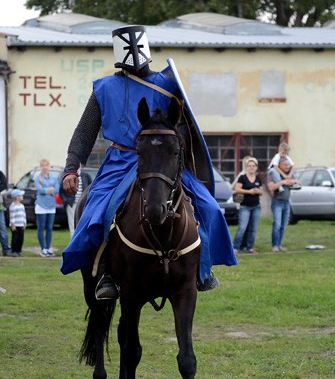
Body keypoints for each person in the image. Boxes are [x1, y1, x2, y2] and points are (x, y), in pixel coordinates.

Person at [59, 24, 236, 300]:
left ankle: (202, 269)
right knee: (98, 212)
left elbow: (185, 125)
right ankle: (105, 273)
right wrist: (72, 166)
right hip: (120, 161)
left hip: (162, 162)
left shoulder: (167, 84)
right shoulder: (104, 88)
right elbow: (85, 131)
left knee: (210, 208)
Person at [233, 157, 264, 254]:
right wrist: (249, 191)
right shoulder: (242, 177)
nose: (251, 167)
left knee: (253, 228)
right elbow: (237, 189)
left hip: (256, 206)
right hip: (245, 206)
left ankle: (250, 247)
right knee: (242, 227)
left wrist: (257, 191)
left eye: (253, 166)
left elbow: (262, 192)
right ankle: (235, 247)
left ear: (256, 167)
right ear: (246, 167)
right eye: (249, 166)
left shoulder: (258, 178)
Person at [267, 156, 295, 251]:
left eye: (288, 165)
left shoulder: (289, 174)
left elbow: (297, 182)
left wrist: (292, 181)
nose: (287, 167)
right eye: (285, 165)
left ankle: (279, 244)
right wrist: (282, 182)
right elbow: (271, 187)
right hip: (277, 202)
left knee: (283, 225)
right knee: (277, 224)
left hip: (286, 202)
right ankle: (274, 245)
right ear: (279, 165)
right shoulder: (273, 173)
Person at [34, 159, 59, 256]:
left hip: (51, 205)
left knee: (49, 228)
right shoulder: (37, 177)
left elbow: (56, 189)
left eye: (46, 165)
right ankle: (43, 248)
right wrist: (49, 189)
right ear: (40, 167)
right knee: (41, 227)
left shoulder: (53, 178)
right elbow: (39, 190)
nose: (44, 167)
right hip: (41, 205)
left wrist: (48, 190)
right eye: (42, 165)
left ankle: (48, 248)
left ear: (49, 166)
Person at [60, 168, 92, 236]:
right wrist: (66, 201)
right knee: (72, 224)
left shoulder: (85, 175)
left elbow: (91, 188)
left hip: (83, 204)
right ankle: (72, 240)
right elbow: (61, 190)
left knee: (82, 222)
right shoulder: (67, 176)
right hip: (72, 204)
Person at [8, 188, 26, 256]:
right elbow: (12, 216)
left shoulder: (22, 206)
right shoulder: (13, 206)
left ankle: (19, 250)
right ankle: (14, 250)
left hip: (21, 225)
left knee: (21, 238)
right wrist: (13, 225)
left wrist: (24, 223)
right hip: (15, 225)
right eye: (21, 195)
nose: (22, 197)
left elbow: (24, 215)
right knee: (15, 238)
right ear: (17, 197)